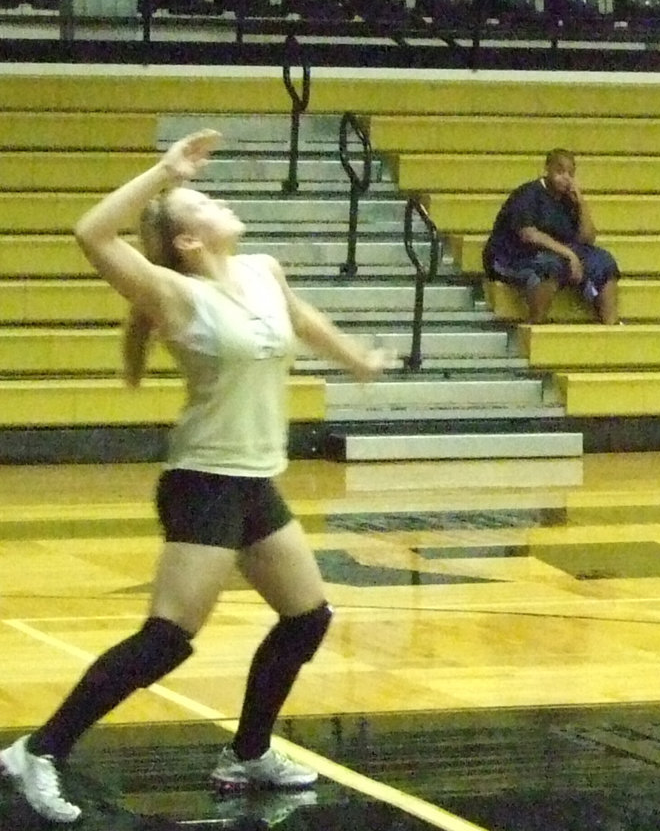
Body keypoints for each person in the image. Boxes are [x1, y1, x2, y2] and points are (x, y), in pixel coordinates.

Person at [0, 130, 390, 824]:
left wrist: (354, 359)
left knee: (307, 618)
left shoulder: (262, 270)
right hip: (204, 483)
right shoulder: (174, 294)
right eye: (204, 203)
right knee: (167, 638)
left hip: (253, 483)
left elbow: (300, 319)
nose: (219, 203)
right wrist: (165, 171)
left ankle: (248, 754)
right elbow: (90, 233)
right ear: (186, 240)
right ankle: (39, 750)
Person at [482, 148, 620, 324]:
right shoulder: (528, 194)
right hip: (510, 257)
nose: (565, 178)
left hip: (552, 254)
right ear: (547, 169)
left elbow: (587, 239)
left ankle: (611, 326)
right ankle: (535, 324)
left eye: (570, 173)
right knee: (550, 265)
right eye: (560, 171)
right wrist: (569, 254)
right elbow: (529, 234)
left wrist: (582, 203)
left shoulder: (569, 199)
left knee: (603, 260)